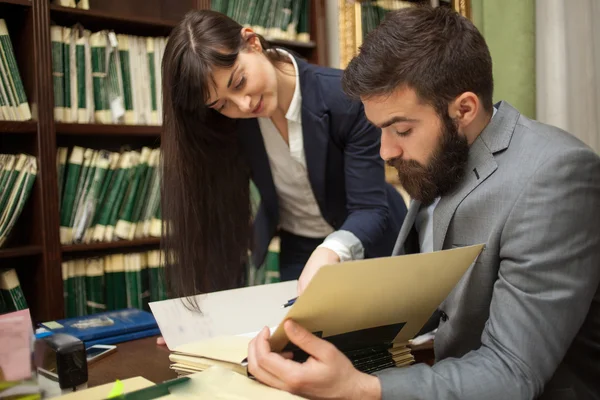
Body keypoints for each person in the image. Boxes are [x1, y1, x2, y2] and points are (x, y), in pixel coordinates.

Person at [247, 6, 600, 400]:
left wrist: (361, 387)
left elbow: (512, 371)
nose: (385, 151)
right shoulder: (441, 155)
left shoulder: (555, 174)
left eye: (401, 129)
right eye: (380, 129)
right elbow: (432, 303)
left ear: (463, 109)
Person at [159, 9, 407, 301]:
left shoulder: (345, 99)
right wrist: (197, 320)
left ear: (251, 42)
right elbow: (212, 214)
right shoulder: (227, 124)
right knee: (296, 342)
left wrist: (331, 251)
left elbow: (369, 209)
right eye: (221, 104)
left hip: (372, 243)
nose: (243, 104)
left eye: (239, 82)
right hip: (299, 246)